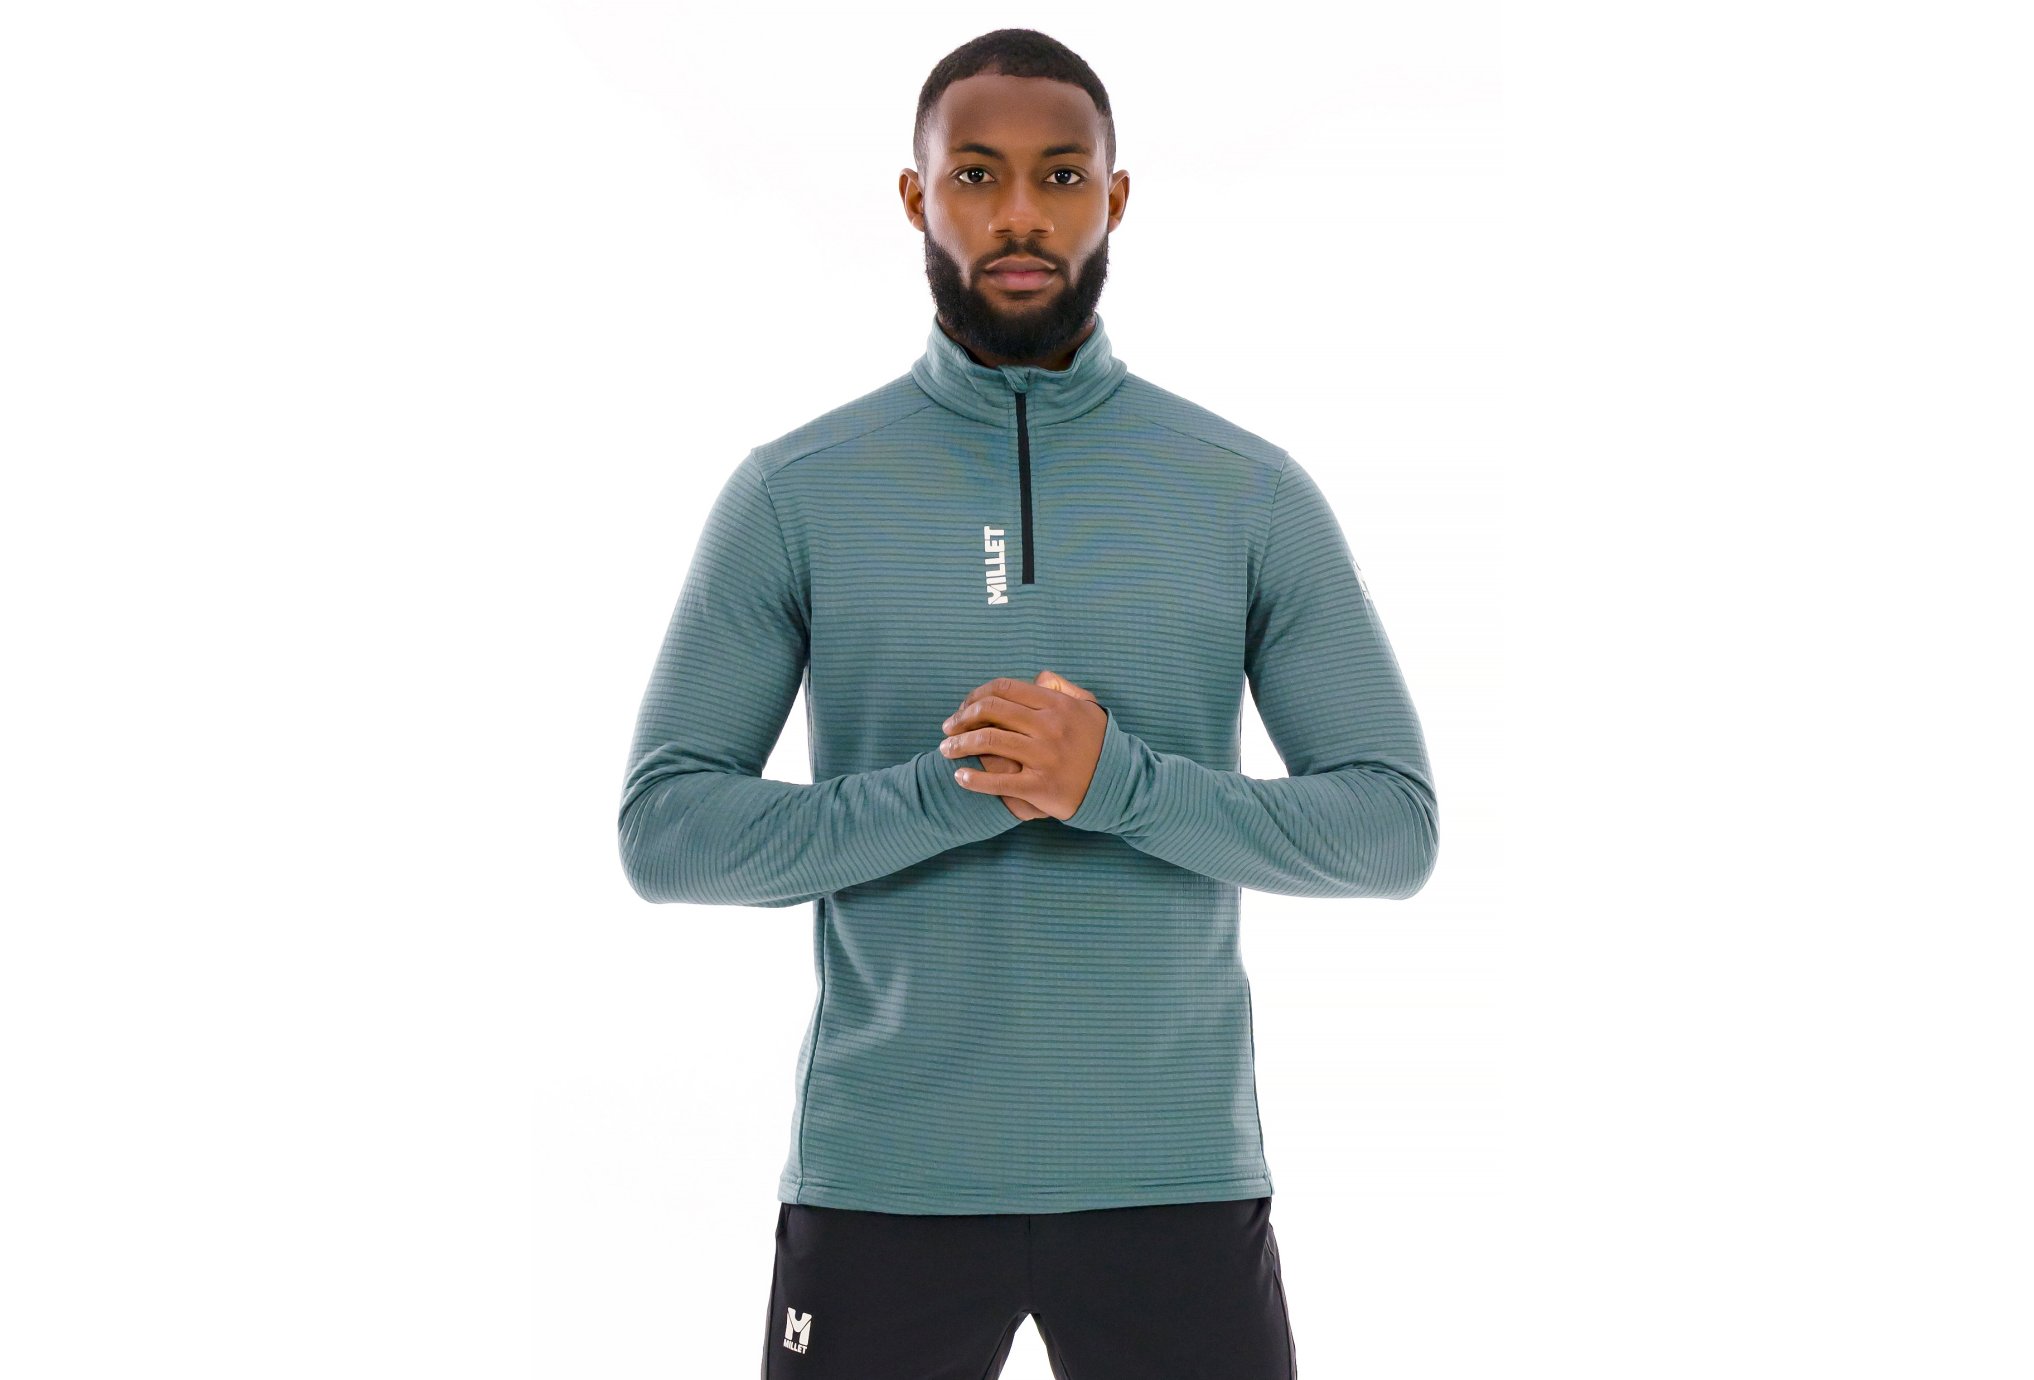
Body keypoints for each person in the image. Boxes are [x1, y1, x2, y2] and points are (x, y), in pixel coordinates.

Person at [617, 27, 1438, 1379]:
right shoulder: (796, 492)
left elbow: (1392, 827)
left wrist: (1116, 784)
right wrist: (959, 788)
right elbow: (666, 831)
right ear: (915, 195)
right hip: (884, 1181)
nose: (1018, 215)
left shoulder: (1245, 491)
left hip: (1173, 1183)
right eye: (976, 174)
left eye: (1060, 177)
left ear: (1115, 197)